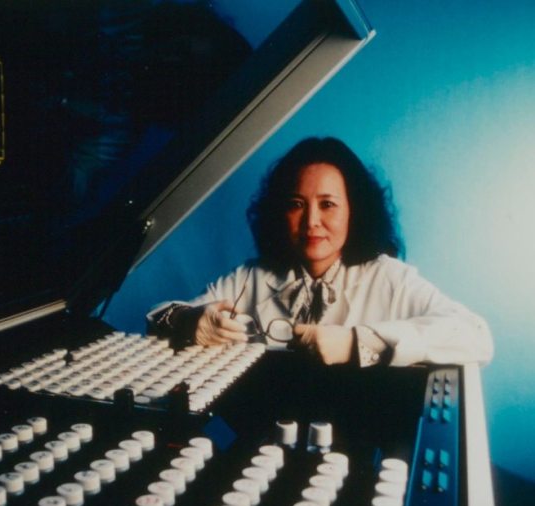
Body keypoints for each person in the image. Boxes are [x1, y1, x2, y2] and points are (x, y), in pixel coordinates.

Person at [147, 137, 493, 367]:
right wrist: (190, 321)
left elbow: (476, 335)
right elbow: (157, 317)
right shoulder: (251, 277)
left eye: (328, 204)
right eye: (297, 204)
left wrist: (359, 342)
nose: (311, 221)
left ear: (355, 211)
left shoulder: (390, 278)